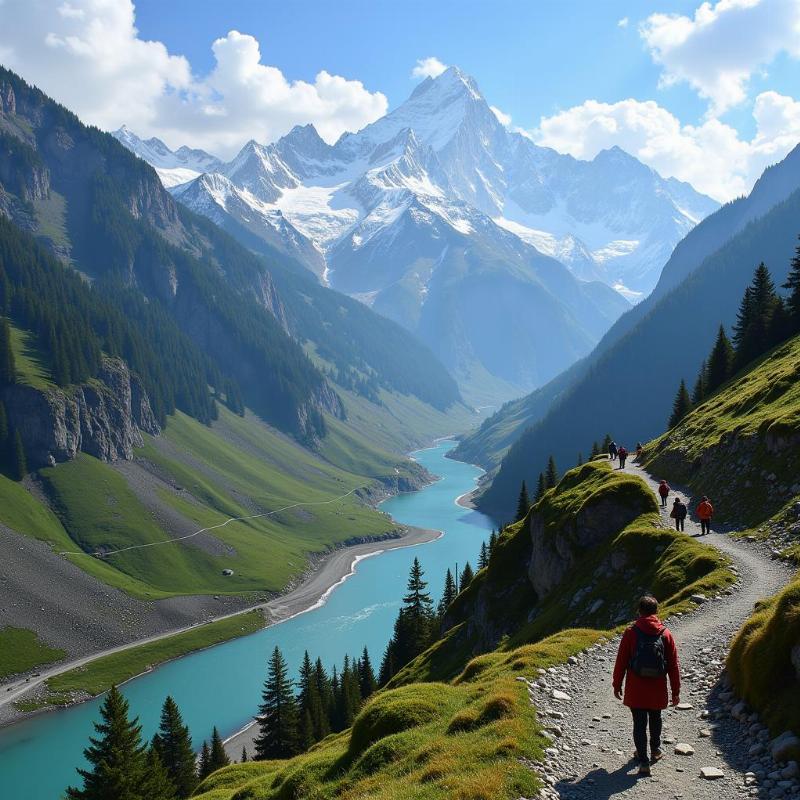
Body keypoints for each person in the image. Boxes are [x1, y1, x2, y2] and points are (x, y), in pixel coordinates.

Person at [613, 595, 681, 777]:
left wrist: (616, 684)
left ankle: (643, 761)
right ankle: (656, 750)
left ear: (640, 612)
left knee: (639, 723)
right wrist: (676, 691)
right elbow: (673, 665)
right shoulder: (666, 634)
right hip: (657, 688)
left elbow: (621, 661)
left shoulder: (631, 632)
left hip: (636, 688)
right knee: (656, 717)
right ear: (656, 611)